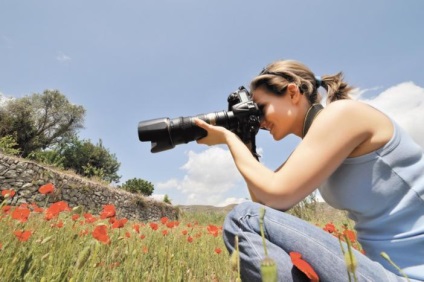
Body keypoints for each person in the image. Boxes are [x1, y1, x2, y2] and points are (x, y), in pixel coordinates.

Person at [194, 59, 424, 281]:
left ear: (293, 93)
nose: (259, 121)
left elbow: (273, 196)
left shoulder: (343, 114)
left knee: (243, 218)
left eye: (261, 108)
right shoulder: (315, 145)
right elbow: (265, 204)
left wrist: (228, 138)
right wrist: (245, 143)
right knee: (250, 215)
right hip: (384, 272)